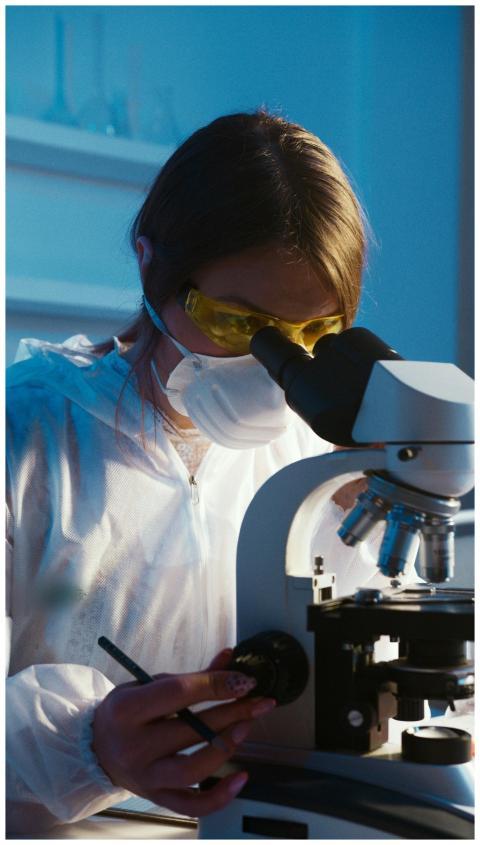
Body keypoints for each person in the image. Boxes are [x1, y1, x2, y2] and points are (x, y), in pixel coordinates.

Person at [6, 110, 407, 834]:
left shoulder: (308, 463)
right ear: (149, 263)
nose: (270, 367)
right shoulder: (26, 435)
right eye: (235, 322)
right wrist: (84, 748)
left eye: (312, 334)